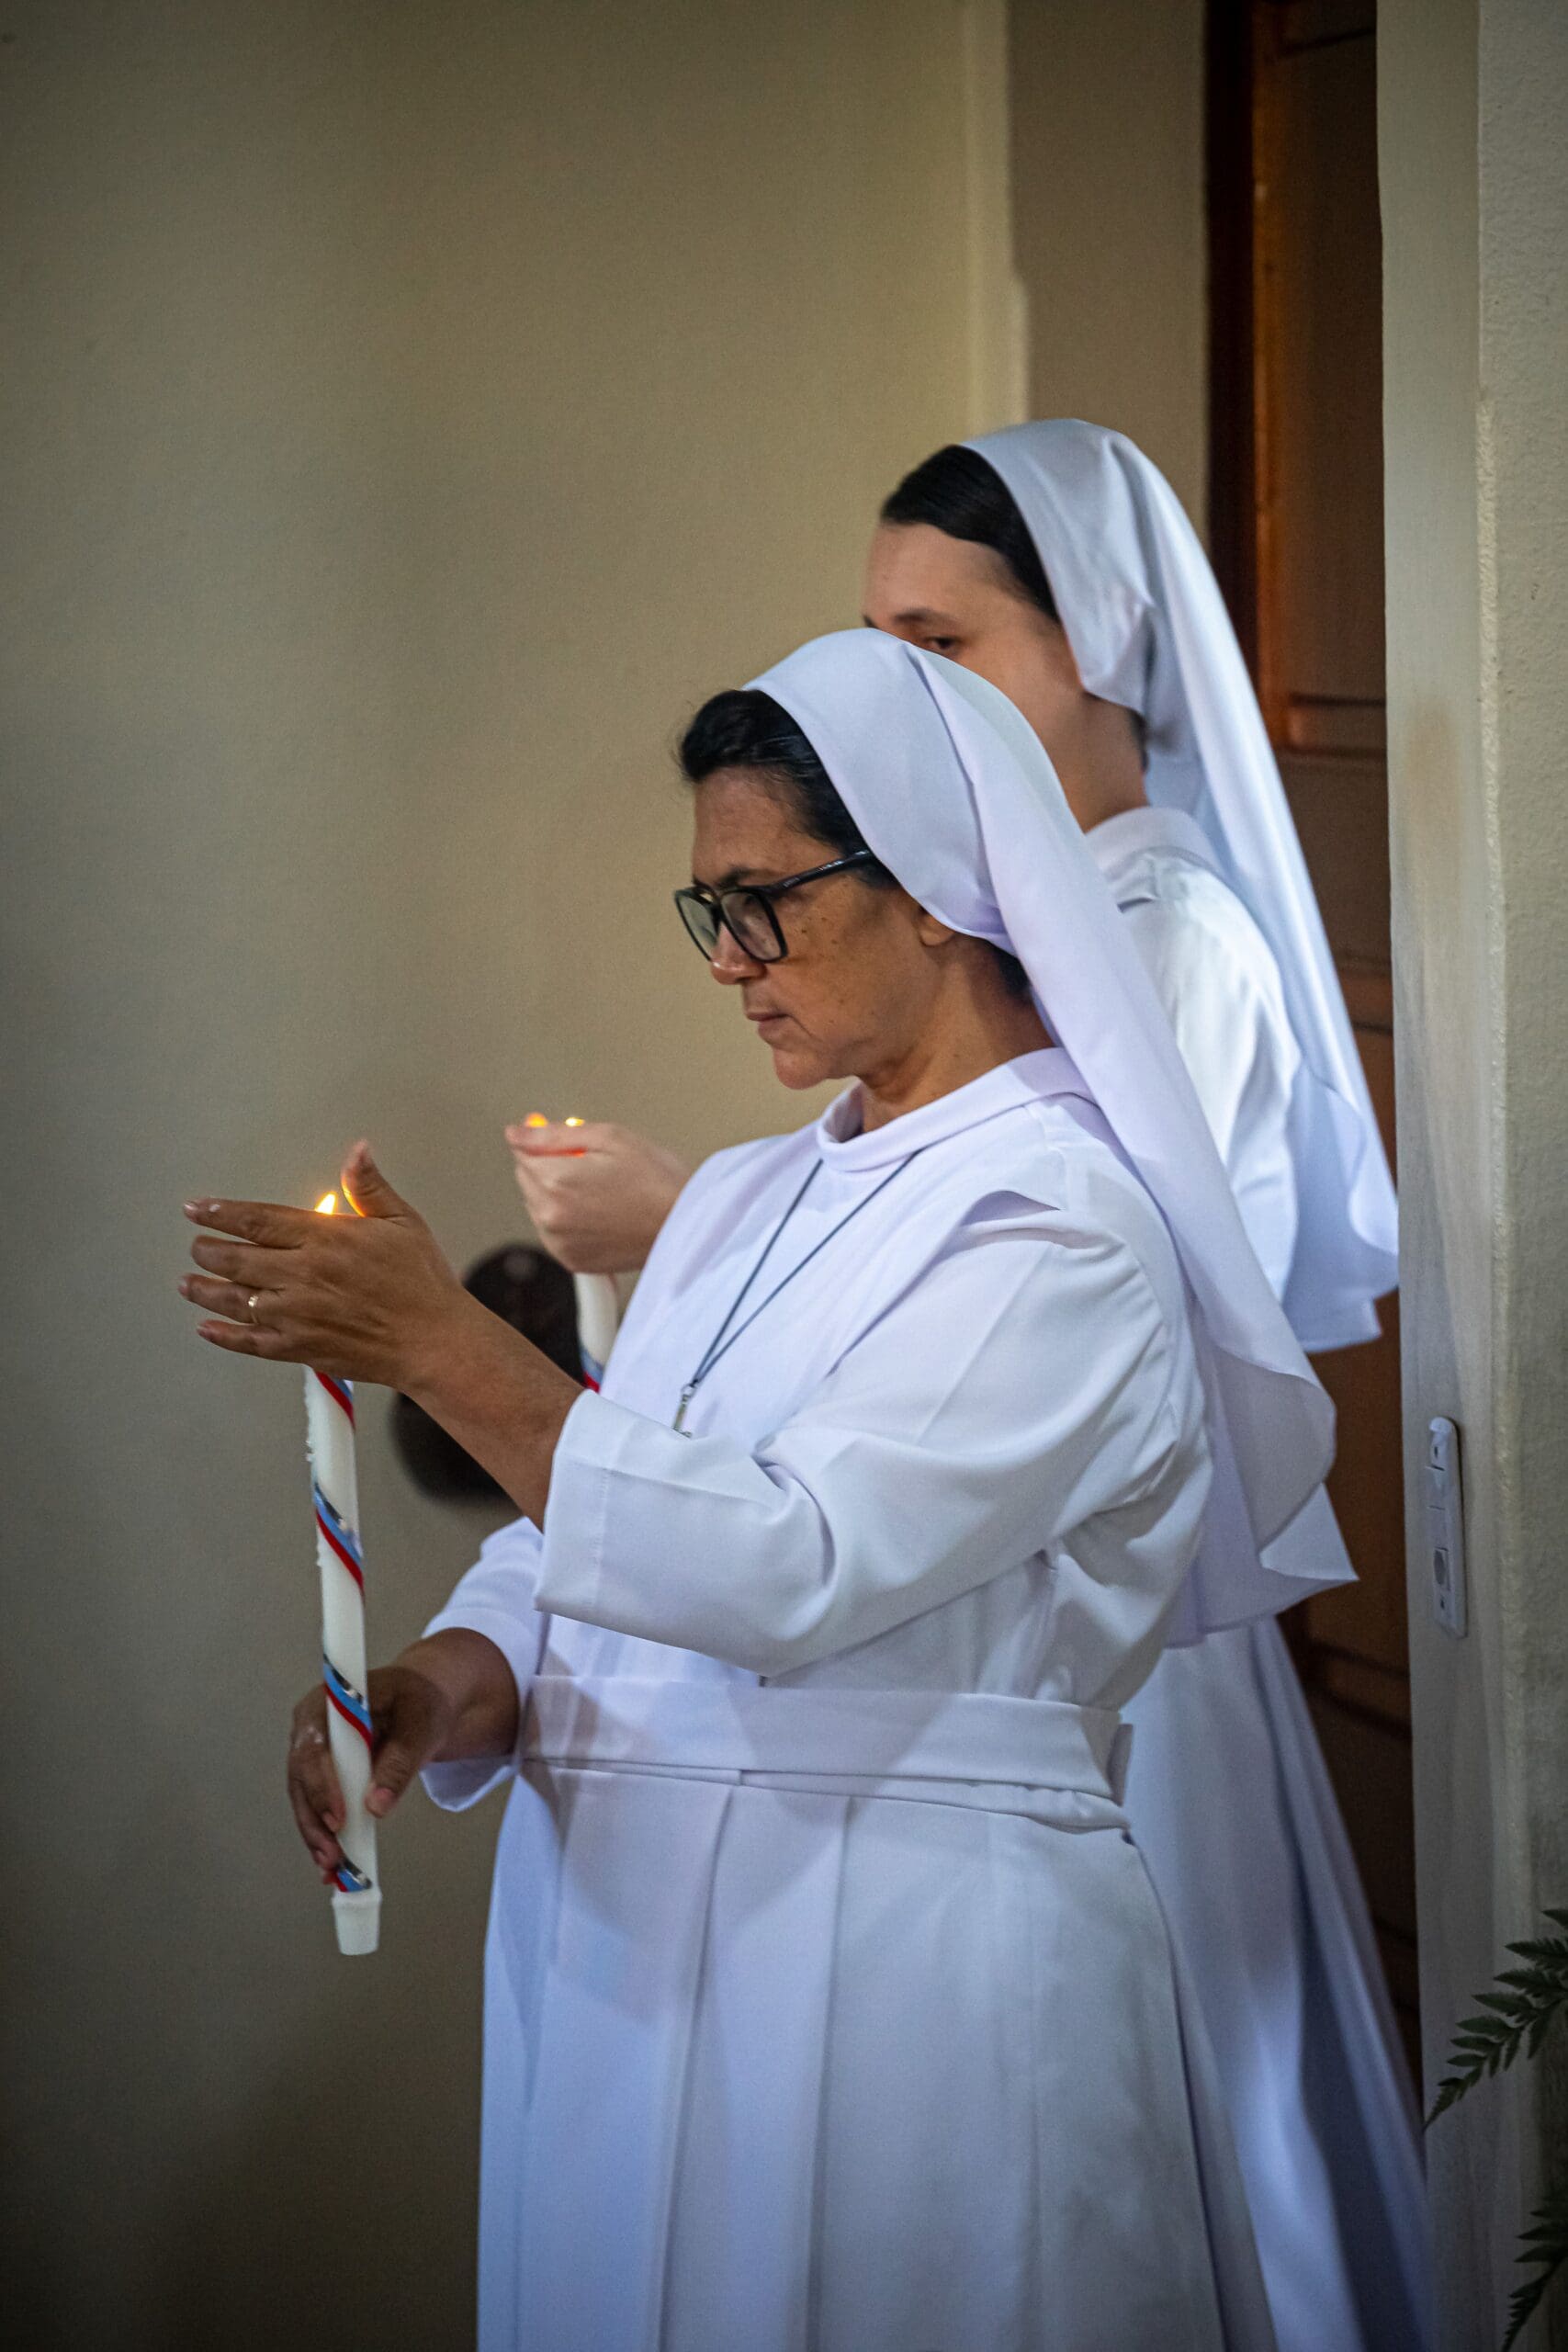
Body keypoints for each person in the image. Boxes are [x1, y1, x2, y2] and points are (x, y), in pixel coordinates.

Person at [182, 630, 1340, 2350]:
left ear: (935, 887)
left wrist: (440, 1345)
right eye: (707, 910)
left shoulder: (1060, 1224)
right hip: (633, 1951)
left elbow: (787, 1565)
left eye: (762, 902)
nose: (728, 960)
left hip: (903, 1951)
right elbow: (603, 1518)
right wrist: (449, 1681)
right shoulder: (743, 1196)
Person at [510, 424, 1427, 2352]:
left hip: (1030, 1656)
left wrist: (601, 1255)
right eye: (882, 641)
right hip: (848, 1690)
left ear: (1093, 637)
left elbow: (1088, 1253)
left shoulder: (1137, 978)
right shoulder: (818, 1142)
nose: (917, 683)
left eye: (942, 640)